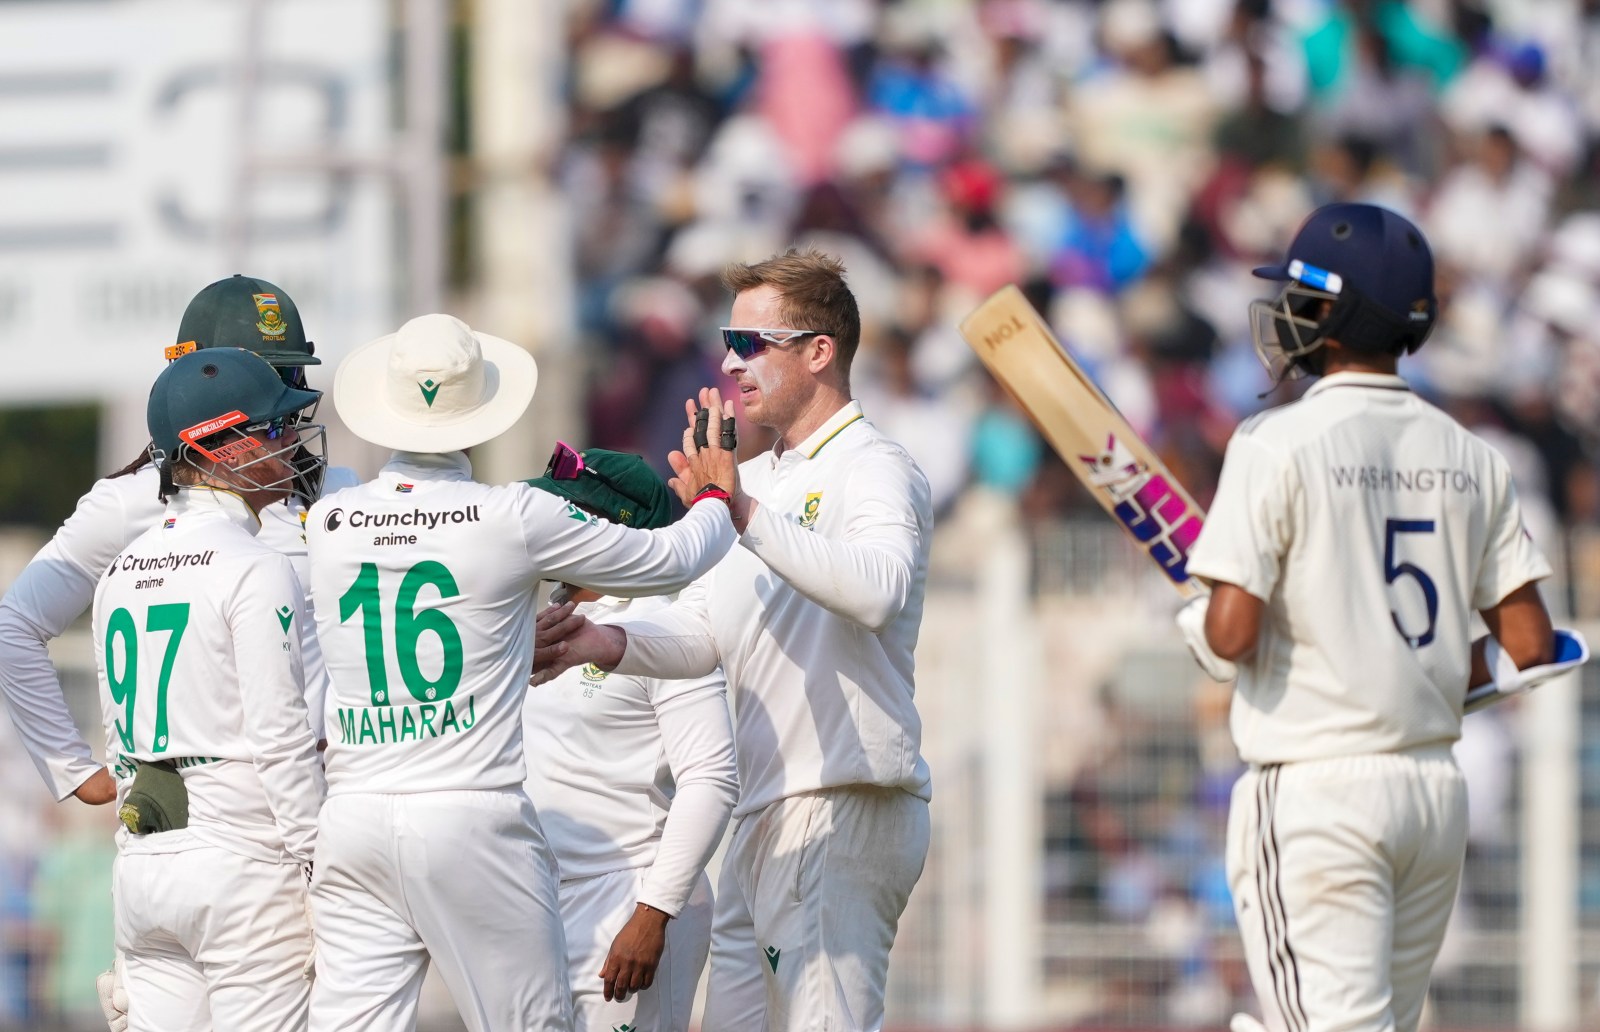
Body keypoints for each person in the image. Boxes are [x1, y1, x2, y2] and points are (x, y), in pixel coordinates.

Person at [1175, 203, 1584, 1032]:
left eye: (1300, 296)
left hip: (1317, 785)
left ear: (1334, 312)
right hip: (1432, 795)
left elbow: (1231, 638)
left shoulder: (1274, 442)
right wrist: (1413, 675)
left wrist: (1196, 613)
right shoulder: (1473, 454)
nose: (1285, 313)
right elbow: (1531, 645)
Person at [303, 313, 739, 1032]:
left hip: (352, 818)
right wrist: (717, 495)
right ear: (476, 414)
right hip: (469, 814)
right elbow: (677, 559)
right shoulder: (511, 514)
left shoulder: (329, 521)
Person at [534, 248, 934, 1029]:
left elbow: (879, 591)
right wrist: (600, 642)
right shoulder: (772, 477)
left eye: (750, 344)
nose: (729, 361)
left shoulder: (873, 464)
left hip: (840, 800)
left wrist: (738, 510)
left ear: (819, 352)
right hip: (764, 818)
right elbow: (703, 634)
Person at [0, 273, 350, 812]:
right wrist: (73, 769)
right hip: (217, 819)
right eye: (265, 381)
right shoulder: (130, 500)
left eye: (289, 378)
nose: (284, 413)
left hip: (324, 806)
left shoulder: (342, 491)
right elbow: (15, 625)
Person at [97, 347, 326, 1030]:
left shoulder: (119, 569)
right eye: (272, 428)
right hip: (245, 871)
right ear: (215, 447)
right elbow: (282, 740)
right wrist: (325, 868)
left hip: (145, 868)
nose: (289, 441)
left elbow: (119, 749)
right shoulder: (255, 565)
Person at [522, 444, 738, 1031]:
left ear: (612, 530)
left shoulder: (662, 622)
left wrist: (653, 914)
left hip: (629, 902)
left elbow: (712, 780)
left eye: (566, 515)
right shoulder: (542, 614)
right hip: (546, 901)